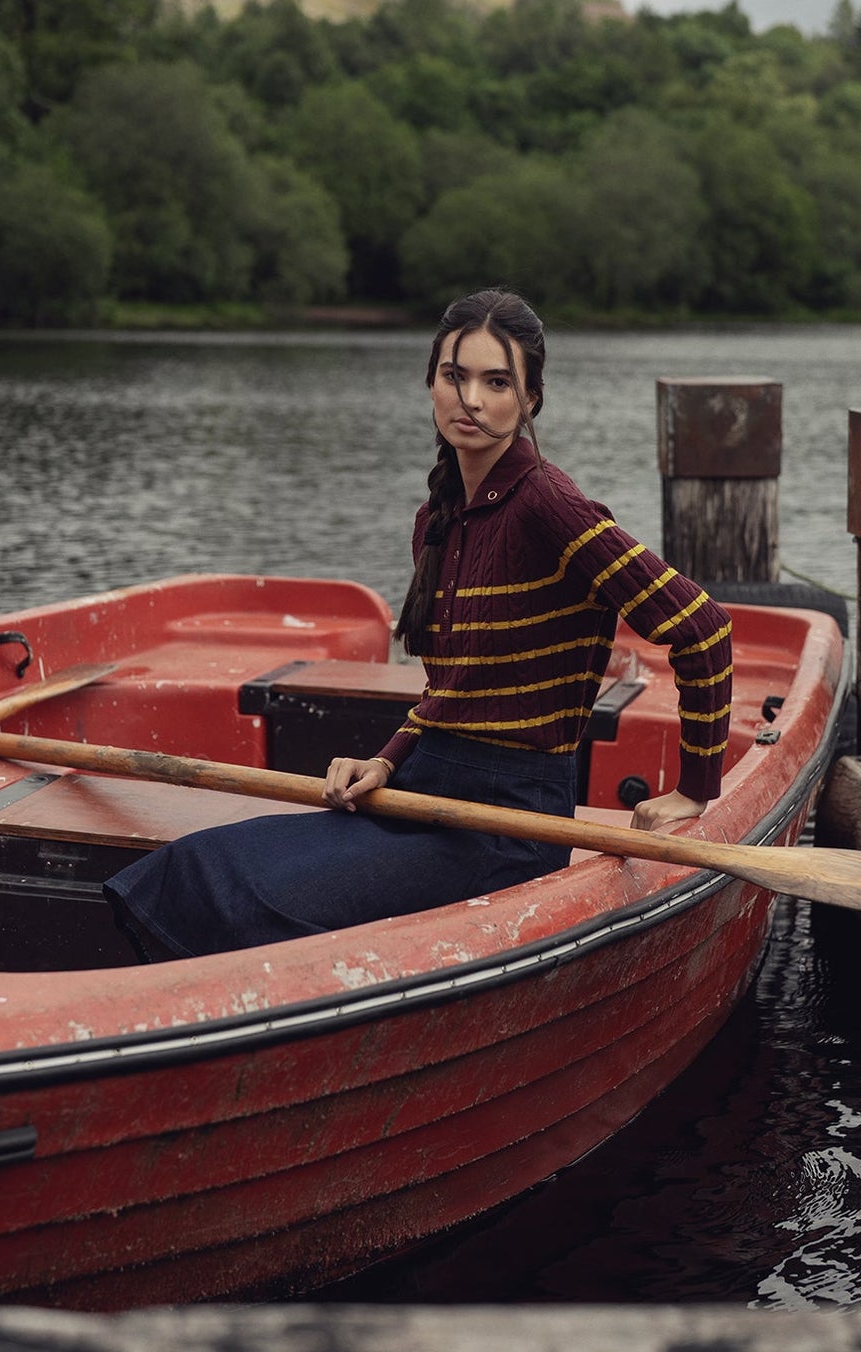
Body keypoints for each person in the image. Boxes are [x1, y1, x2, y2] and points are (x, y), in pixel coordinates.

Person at [104, 287, 733, 961]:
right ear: (429, 383)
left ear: (529, 401)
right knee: (196, 865)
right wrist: (384, 760)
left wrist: (693, 790)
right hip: (419, 792)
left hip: (506, 824)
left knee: (253, 899)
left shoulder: (549, 504)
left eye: (496, 382)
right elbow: (448, 689)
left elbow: (702, 629)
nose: (470, 399)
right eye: (453, 376)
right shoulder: (437, 517)